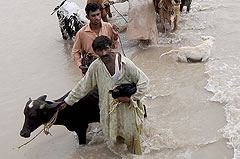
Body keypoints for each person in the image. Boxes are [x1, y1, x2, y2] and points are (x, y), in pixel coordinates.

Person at [60, 36, 149, 155]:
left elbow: (144, 82)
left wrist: (130, 98)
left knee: (132, 139)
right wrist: (67, 102)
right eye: (99, 51)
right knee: (117, 137)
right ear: (95, 52)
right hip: (109, 110)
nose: (103, 53)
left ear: (111, 47)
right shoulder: (96, 67)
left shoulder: (126, 64)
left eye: (106, 49)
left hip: (128, 109)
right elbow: (83, 86)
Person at [72, 2, 119, 74]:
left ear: (101, 13)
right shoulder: (81, 33)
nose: (97, 18)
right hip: (92, 66)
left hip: (109, 63)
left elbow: (114, 46)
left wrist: (115, 37)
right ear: (87, 17)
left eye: (98, 14)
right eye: (93, 16)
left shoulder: (108, 26)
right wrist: (80, 65)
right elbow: (75, 52)